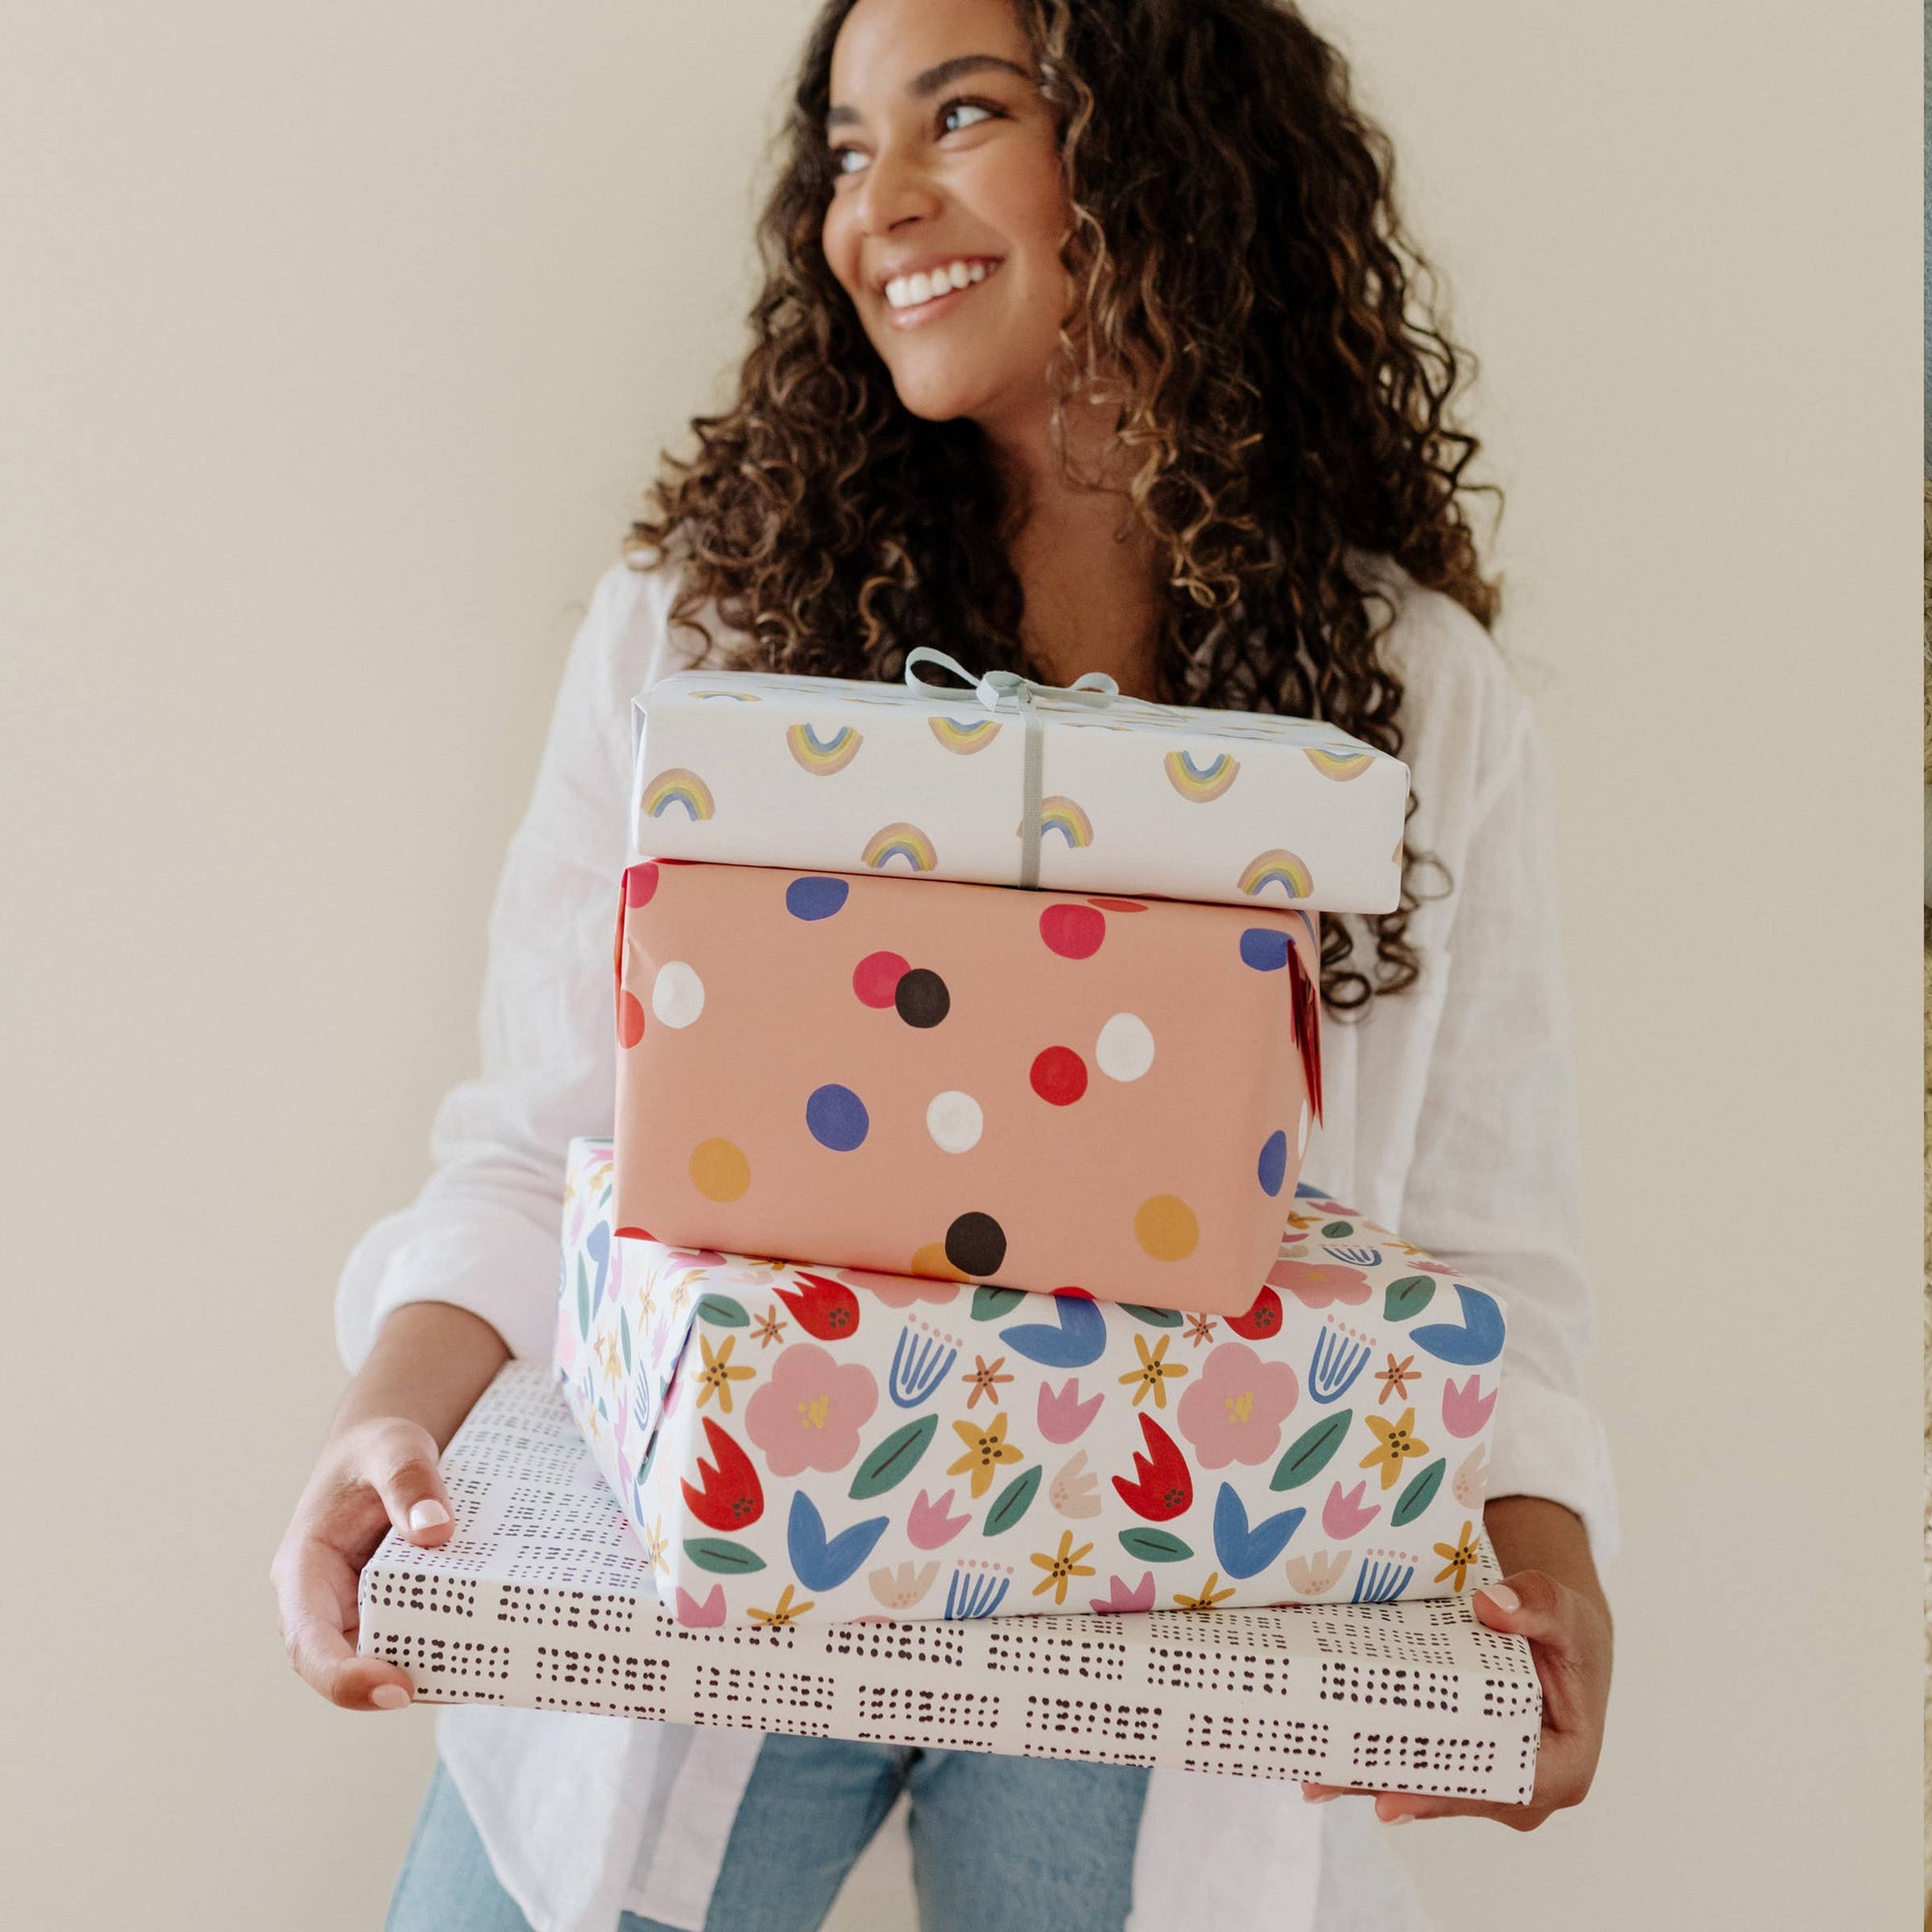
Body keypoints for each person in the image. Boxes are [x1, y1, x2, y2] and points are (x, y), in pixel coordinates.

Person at [270, 1, 1616, 1927]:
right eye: (842, 151)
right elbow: (538, 1146)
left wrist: (1550, 1573)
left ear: (1163, 148)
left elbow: (1491, 1252)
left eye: (959, 115)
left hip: (1172, 1592)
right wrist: (378, 1423)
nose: (872, 206)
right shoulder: (706, 634)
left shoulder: (1416, 703)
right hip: (707, 1562)